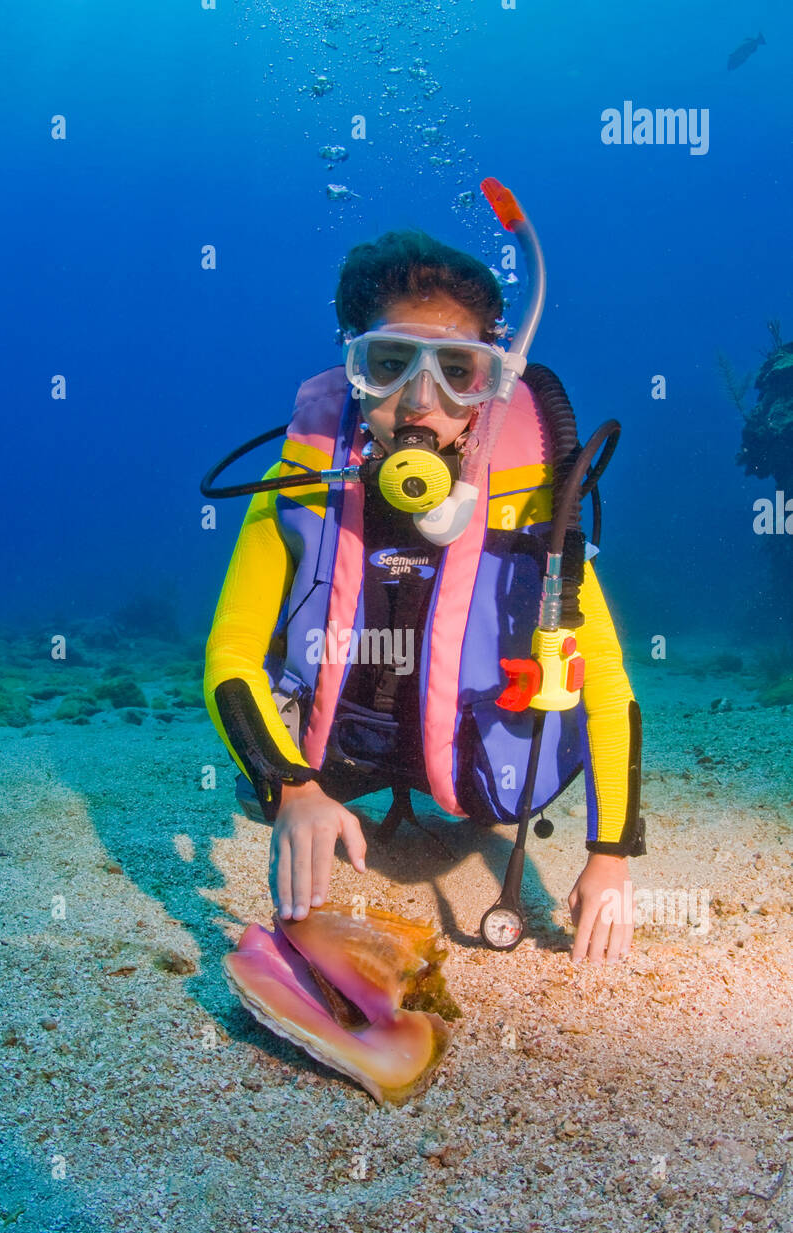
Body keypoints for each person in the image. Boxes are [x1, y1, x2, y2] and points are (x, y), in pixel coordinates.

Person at [204, 228, 645, 964]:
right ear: (354, 368)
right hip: (338, 760)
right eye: (388, 364)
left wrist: (611, 857)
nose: (417, 401)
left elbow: (602, 675)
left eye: (457, 372)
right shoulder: (301, 482)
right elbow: (230, 653)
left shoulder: (530, 491)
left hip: (479, 777)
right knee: (257, 793)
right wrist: (290, 790)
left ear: (491, 383)